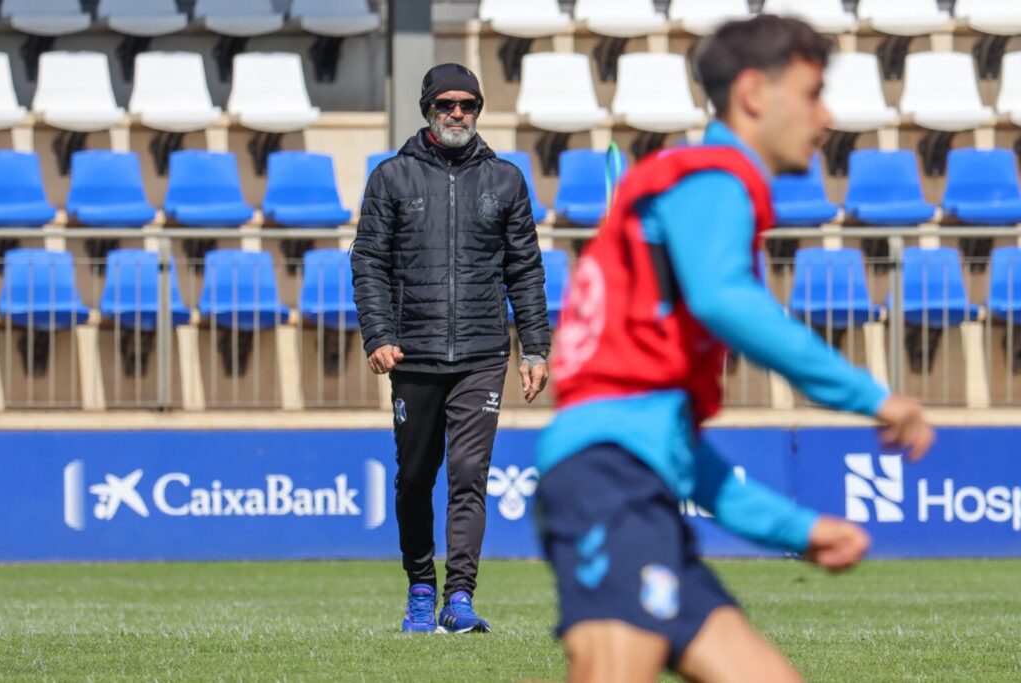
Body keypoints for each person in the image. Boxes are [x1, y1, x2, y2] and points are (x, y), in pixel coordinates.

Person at [535, 16, 934, 682]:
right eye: (812, 93)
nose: (827, 116)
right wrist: (872, 394)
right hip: (607, 480)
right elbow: (727, 298)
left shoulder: (694, 192)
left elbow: (684, 459)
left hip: (636, 484)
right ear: (754, 93)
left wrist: (797, 529)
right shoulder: (715, 178)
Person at [352, 63, 551, 634]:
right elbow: (367, 263)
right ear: (428, 110)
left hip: (483, 355)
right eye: (447, 104)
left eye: (468, 104)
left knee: (469, 474)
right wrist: (380, 335)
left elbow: (526, 272)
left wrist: (534, 348)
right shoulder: (391, 178)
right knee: (415, 477)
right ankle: (420, 588)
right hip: (411, 354)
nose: (458, 113)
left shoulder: (507, 180)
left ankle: (459, 599)